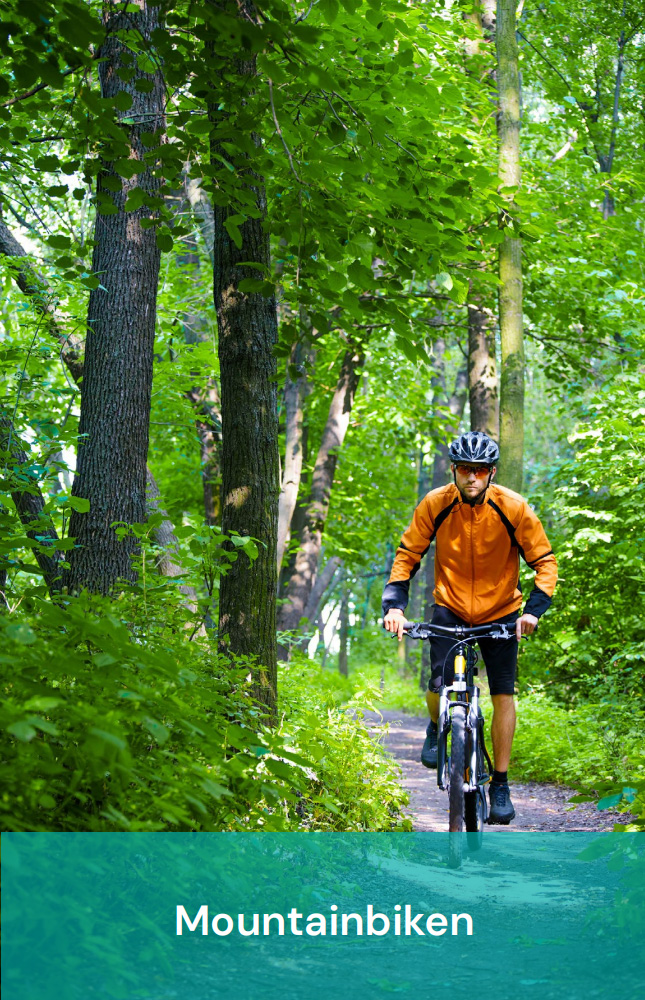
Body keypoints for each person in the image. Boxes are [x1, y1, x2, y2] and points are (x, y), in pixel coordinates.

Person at [382, 432, 557, 824]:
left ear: (491, 472)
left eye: (480, 470)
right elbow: (408, 554)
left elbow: (545, 562)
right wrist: (394, 606)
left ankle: (500, 783)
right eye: (465, 469)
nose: (472, 477)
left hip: (502, 611)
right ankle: (435, 725)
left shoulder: (513, 507)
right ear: (455, 471)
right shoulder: (436, 504)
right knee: (436, 682)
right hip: (450, 606)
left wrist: (532, 612)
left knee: (503, 694)